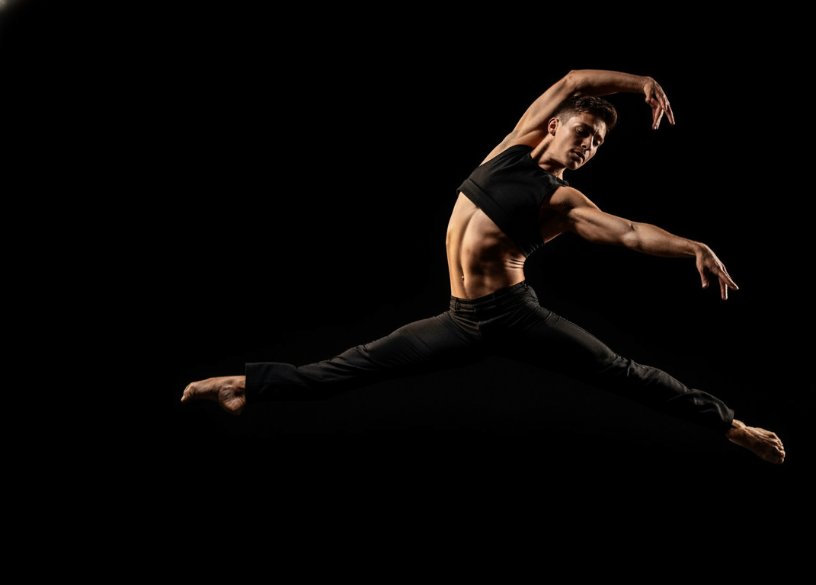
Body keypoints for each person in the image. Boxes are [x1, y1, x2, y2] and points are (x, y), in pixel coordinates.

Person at [182, 69, 785, 464]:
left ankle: (734, 429)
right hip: (461, 317)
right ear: (556, 123)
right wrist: (641, 82)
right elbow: (574, 76)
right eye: (584, 130)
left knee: (623, 374)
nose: (588, 145)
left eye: (598, 143)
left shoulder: (564, 200)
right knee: (356, 365)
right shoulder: (512, 147)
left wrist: (694, 247)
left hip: (512, 315)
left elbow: (629, 233)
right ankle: (244, 385)